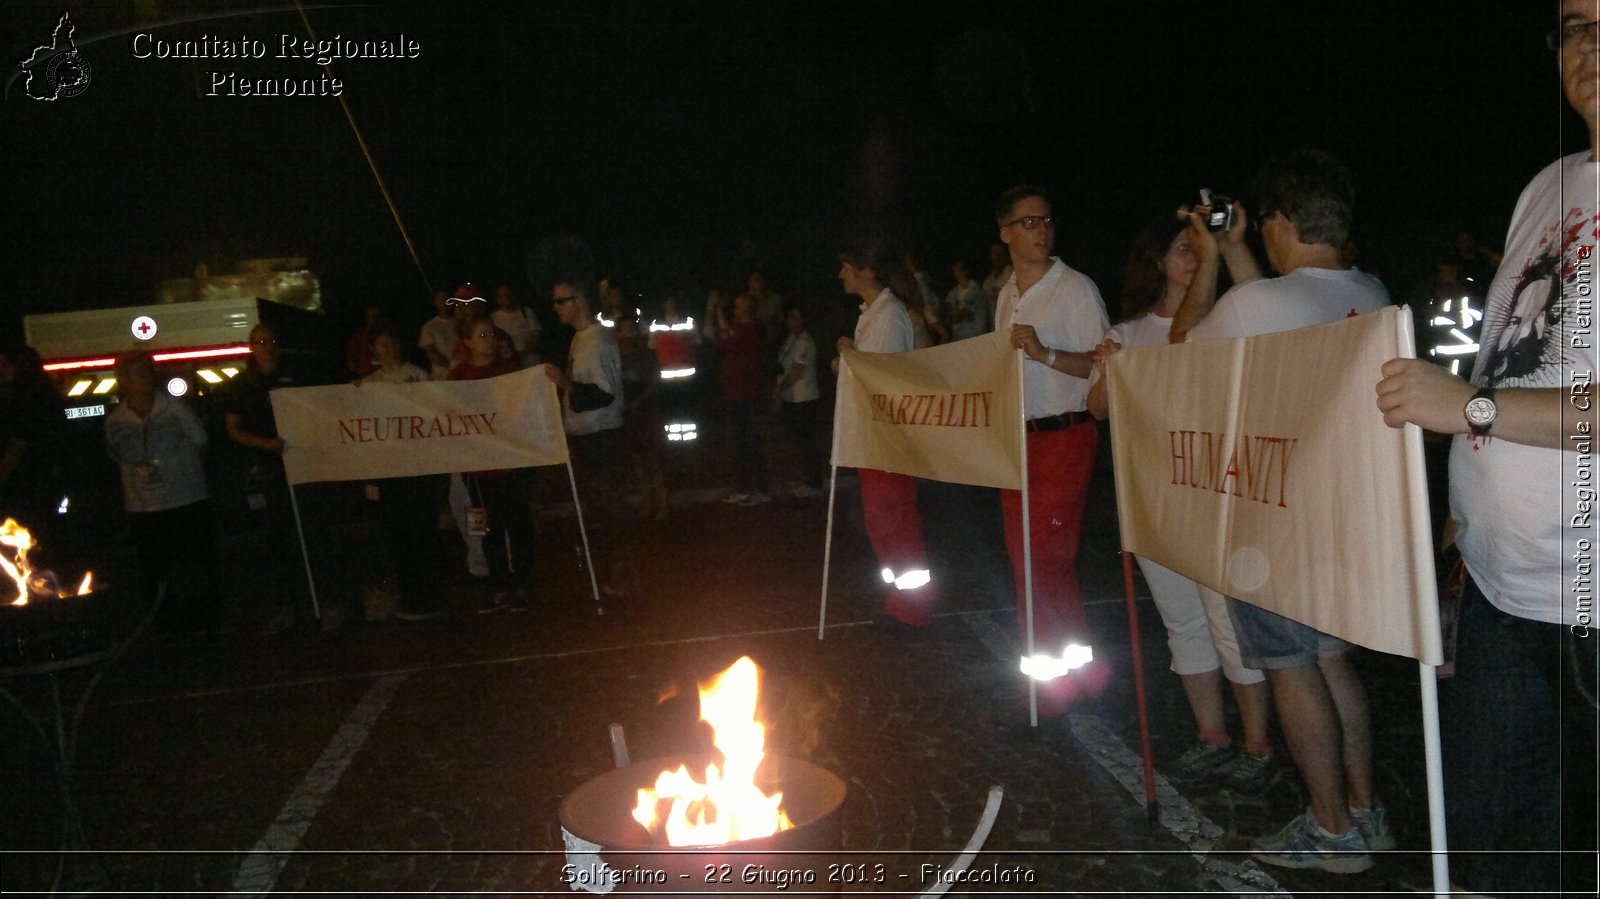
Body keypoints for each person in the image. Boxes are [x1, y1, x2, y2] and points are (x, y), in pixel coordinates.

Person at [1375, 4, 1598, 893]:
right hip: (1506, 589)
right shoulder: (1547, 185)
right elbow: (1518, 353)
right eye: (1576, 26)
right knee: (1495, 848)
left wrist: (1468, 408)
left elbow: (1485, 398)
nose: (1589, 48)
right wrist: (1457, 530)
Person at [1169, 147, 1392, 874]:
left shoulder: (1255, 304)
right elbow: (1268, 319)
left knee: (1294, 669)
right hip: (1343, 513)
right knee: (1334, 662)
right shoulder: (1370, 290)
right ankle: (1364, 810)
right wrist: (1235, 253)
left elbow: (1183, 347)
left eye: (1263, 224)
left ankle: (1330, 832)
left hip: (1274, 517)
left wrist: (1208, 256)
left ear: (1283, 221)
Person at [1085, 216, 1276, 796]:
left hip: (1216, 498)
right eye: (1180, 247)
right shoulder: (1127, 330)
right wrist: (1111, 370)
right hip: (1153, 501)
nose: (1192, 256)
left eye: (1200, 246)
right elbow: (1097, 408)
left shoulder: (1224, 321)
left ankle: (1258, 743)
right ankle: (1211, 736)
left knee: (1230, 622)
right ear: (1156, 262)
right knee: (1184, 623)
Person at [989, 185, 1110, 716]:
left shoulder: (1076, 288)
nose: (1041, 230)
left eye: (1047, 220)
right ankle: (1074, 674)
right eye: (1029, 222)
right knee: (1034, 563)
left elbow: (1104, 366)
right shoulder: (1007, 291)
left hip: (1063, 436)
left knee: (1043, 561)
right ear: (1006, 233)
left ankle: (1048, 691)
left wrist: (1044, 353)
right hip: (1018, 441)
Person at [834, 233, 938, 628]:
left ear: (865, 271)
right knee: (882, 522)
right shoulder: (871, 313)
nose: (841, 273)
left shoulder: (890, 314)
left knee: (896, 521)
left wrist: (848, 361)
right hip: (874, 436)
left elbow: (888, 377)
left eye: (846, 266)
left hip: (891, 437)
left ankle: (913, 609)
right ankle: (899, 602)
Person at [104, 350, 220, 636]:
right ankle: (166, 628)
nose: (142, 376)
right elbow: (115, 456)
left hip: (185, 499)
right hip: (144, 507)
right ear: (123, 380)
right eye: (135, 372)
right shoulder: (116, 421)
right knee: (154, 571)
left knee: (195, 566)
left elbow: (201, 440)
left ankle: (205, 625)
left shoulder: (174, 408)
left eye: (146, 369)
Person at [544, 278, 635, 601]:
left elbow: (604, 394)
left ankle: (621, 578)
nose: (555, 308)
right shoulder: (581, 339)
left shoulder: (595, 341)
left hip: (602, 437)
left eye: (560, 301)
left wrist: (566, 384)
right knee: (602, 511)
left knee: (610, 510)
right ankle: (614, 574)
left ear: (578, 301)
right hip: (589, 436)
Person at [216, 321, 305, 632]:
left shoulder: (294, 377)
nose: (267, 346)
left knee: (308, 533)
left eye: (272, 340)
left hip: (301, 464)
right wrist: (265, 444)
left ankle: (321, 601)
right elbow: (233, 430)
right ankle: (284, 606)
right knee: (275, 537)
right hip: (266, 468)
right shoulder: (242, 384)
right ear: (251, 347)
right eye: (261, 341)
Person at [355, 328, 447, 621]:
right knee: (400, 535)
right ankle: (411, 598)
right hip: (389, 470)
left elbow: (433, 412)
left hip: (418, 466)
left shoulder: (417, 375)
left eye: (393, 342)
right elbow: (361, 432)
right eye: (383, 343)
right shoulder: (367, 385)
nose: (390, 348)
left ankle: (433, 596)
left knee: (425, 531)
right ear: (374, 350)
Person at [450, 311, 533, 614]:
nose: (490, 340)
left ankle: (521, 584)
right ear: (468, 342)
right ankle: (499, 586)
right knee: (488, 529)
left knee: (520, 525)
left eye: (493, 334)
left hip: (513, 463)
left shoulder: (511, 372)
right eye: (482, 335)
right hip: (478, 469)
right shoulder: (457, 379)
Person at [0, 344, 66, 547]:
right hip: (42, 480)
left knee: (28, 535)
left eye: (5, 365)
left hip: (28, 483)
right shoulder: (44, 396)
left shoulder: (26, 400)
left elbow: (19, 443)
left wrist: (2, 475)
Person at [712, 289, 772, 506]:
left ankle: (757, 489)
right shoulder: (739, 328)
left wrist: (718, 312)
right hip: (736, 395)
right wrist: (716, 311)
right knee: (739, 444)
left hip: (748, 395)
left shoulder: (753, 329)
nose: (735, 309)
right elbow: (717, 337)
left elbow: (727, 340)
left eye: (739, 306)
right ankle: (746, 487)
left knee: (750, 443)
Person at [615, 308, 669, 522]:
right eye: (625, 329)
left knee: (653, 460)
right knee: (637, 462)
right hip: (628, 414)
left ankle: (662, 505)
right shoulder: (615, 357)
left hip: (646, 413)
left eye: (632, 329)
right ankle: (647, 502)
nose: (629, 333)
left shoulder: (646, 355)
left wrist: (639, 402)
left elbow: (655, 382)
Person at [773, 302, 823, 499]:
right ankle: (807, 479)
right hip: (792, 398)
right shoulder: (791, 339)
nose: (792, 321)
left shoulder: (805, 341)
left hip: (804, 398)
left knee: (807, 441)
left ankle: (815, 482)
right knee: (798, 440)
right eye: (790, 317)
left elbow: (795, 372)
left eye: (797, 317)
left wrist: (778, 390)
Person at [491, 282, 543, 368]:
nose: (506, 298)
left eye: (508, 294)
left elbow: (536, 336)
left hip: (528, 359)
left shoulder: (526, 313)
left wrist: (524, 352)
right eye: (502, 295)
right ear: (498, 299)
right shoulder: (493, 318)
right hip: (505, 361)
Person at [942, 255, 990, 342]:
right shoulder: (954, 292)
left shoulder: (977, 292)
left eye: (958, 267)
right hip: (959, 337)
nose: (954, 269)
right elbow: (946, 309)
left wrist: (952, 317)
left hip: (975, 337)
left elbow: (964, 314)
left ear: (966, 271)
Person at [418, 289, 458, 381]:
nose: (444, 302)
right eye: (440, 299)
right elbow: (430, 352)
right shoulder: (429, 327)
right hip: (442, 375)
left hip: (464, 372)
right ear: (434, 303)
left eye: (446, 299)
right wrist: (450, 365)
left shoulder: (461, 323)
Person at [345, 303, 385, 378]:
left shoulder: (388, 339)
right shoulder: (357, 338)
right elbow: (351, 363)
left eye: (377, 316)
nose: (375, 320)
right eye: (372, 316)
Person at [981, 241, 1012, 322]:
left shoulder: (1014, 275)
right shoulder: (988, 282)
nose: (997, 257)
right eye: (994, 253)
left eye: (1000, 253)